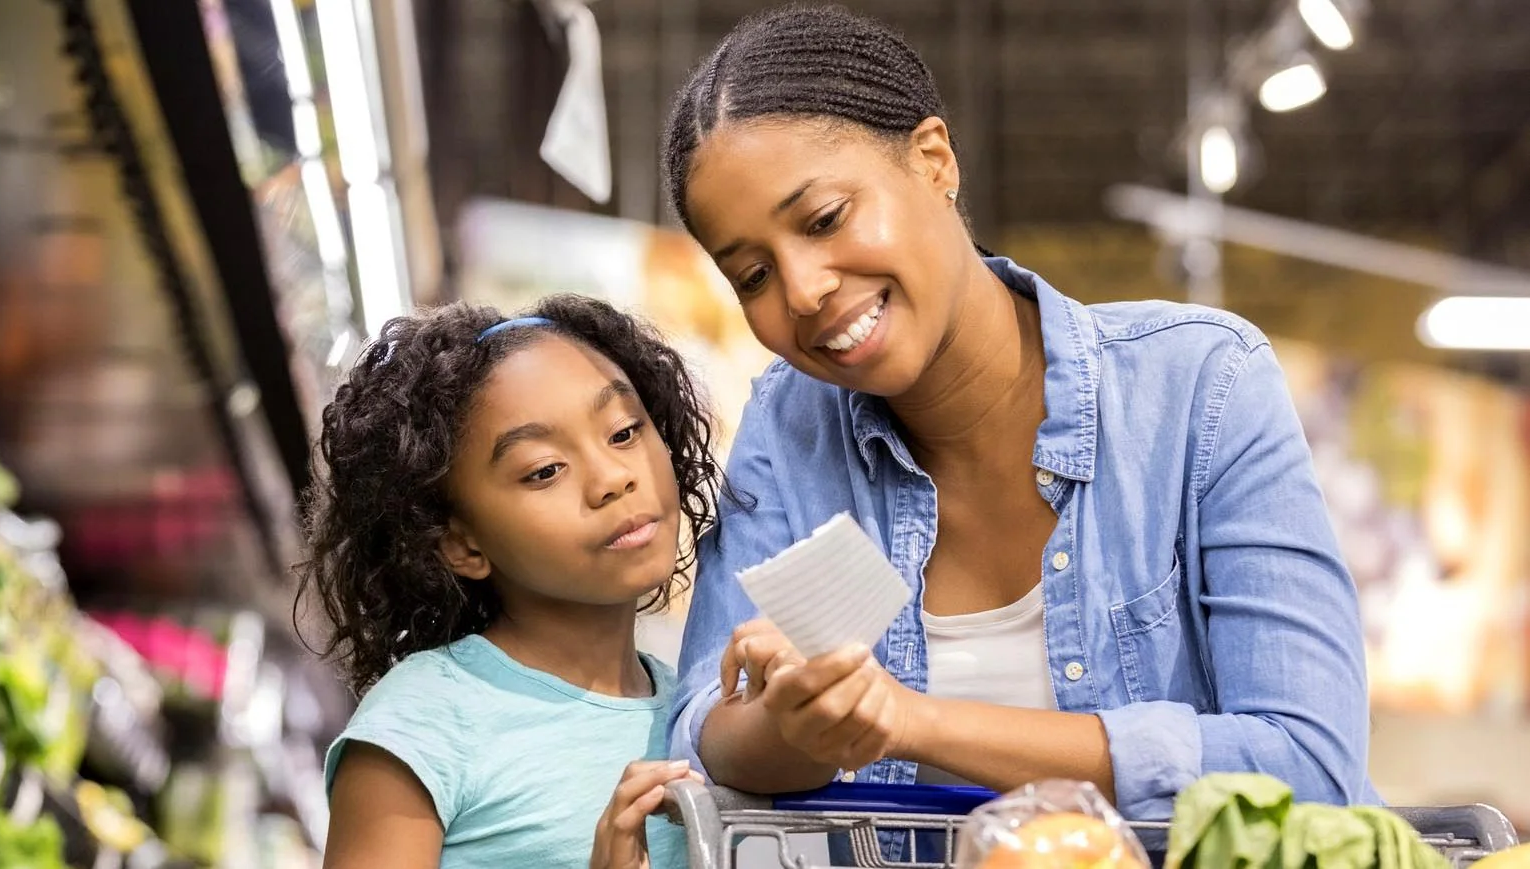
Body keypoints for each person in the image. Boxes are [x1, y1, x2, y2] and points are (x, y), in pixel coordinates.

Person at [659, 3, 1380, 821]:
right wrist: (795, 721)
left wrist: (911, 721)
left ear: (932, 160)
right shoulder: (790, 431)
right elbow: (695, 744)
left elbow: (1304, 763)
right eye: (750, 275)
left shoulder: (1198, 386)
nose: (802, 289)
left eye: (824, 219)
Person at [304, 296, 725, 867]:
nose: (611, 479)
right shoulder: (425, 720)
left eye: (624, 432)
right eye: (545, 470)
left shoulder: (700, 714)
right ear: (461, 544)